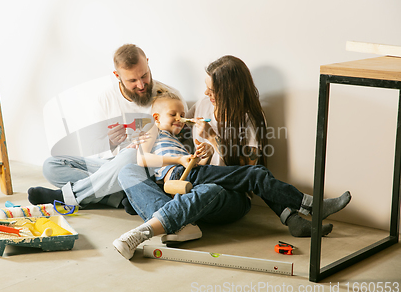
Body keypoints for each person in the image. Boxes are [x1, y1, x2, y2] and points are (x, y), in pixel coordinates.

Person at [114, 56, 351, 260]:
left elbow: (244, 175)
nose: (206, 93)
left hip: (227, 196)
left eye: (213, 90)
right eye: (206, 87)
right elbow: (175, 138)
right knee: (127, 171)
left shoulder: (250, 120)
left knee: (216, 188)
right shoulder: (203, 106)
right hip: (189, 180)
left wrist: (215, 141)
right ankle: (180, 223)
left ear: (229, 91)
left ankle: (158, 224)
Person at [27, 44, 186, 210]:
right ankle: (122, 195)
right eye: (132, 80)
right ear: (117, 75)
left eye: (144, 75)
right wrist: (110, 143)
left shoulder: (168, 96)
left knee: (131, 155)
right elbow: (98, 151)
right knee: (52, 165)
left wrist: (148, 142)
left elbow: (179, 140)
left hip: (146, 166)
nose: (140, 85)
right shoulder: (105, 99)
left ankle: (69, 196)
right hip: (112, 165)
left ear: (147, 62)